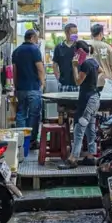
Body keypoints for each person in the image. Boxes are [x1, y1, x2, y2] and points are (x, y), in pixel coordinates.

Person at [58, 40, 101, 170]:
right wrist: (93, 82)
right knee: (90, 128)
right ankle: (90, 156)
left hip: (87, 99)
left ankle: (73, 158)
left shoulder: (85, 64)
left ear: (80, 52)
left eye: (76, 52)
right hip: (95, 97)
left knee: (79, 128)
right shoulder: (93, 61)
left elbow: (77, 82)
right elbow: (101, 71)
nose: (75, 55)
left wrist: (75, 66)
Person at [12, 28, 46, 158]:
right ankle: (31, 141)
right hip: (33, 88)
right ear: (32, 37)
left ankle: (21, 140)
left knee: (21, 113)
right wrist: (42, 83)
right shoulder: (34, 50)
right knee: (34, 114)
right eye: (36, 38)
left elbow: (14, 71)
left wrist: (16, 86)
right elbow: (40, 69)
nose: (37, 41)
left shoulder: (16, 51)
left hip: (20, 88)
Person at [52, 23, 79, 91]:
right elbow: (55, 64)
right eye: (73, 33)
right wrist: (58, 77)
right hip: (63, 84)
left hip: (78, 84)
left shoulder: (79, 46)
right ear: (66, 33)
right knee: (63, 101)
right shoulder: (59, 47)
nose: (75, 35)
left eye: (76, 32)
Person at [89, 24, 112, 91]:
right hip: (106, 80)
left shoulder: (87, 46)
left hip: (90, 79)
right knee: (106, 100)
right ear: (101, 33)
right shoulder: (107, 47)